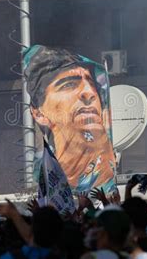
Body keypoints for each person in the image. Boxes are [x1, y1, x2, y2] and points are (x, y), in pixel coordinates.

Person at [24, 45, 116, 193]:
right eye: (69, 84)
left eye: (92, 84)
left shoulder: (108, 181)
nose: (89, 93)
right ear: (38, 114)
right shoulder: (48, 186)